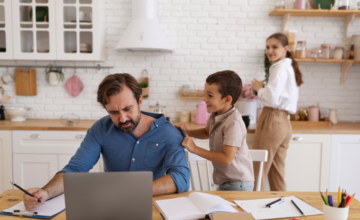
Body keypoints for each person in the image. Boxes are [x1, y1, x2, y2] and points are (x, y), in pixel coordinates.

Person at [23, 73, 190, 211]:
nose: (122, 118)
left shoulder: (168, 133)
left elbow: (180, 178)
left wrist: (127, 192)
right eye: (114, 112)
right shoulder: (101, 129)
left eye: (127, 109)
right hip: (111, 208)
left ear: (140, 102)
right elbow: (75, 169)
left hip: (154, 207)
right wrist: (45, 192)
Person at [176, 70, 254, 191]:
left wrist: (195, 149)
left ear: (227, 100)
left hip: (238, 183)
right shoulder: (215, 114)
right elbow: (207, 133)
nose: (204, 98)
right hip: (226, 181)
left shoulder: (233, 124)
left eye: (210, 95)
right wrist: (188, 131)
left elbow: (226, 159)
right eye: (205, 93)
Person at [251, 33, 303, 191]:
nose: (270, 51)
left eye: (275, 47)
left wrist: (259, 89)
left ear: (285, 49)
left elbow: (272, 99)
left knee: (258, 171)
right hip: (284, 123)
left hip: (272, 120)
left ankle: (252, 211)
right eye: (267, 47)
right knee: (276, 174)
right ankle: (284, 213)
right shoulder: (288, 67)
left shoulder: (279, 67)